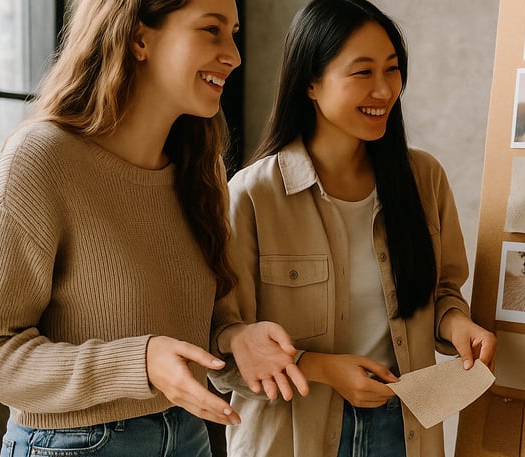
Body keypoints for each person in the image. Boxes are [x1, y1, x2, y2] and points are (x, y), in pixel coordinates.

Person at [0, 0, 305, 455]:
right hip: (72, 444)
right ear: (139, 37)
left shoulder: (198, 173)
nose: (234, 54)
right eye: (211, 30)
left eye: (234, 32)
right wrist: (139, 362)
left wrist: (234, 336)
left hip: (189, 437)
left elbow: (201, 325)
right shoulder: (40, 161)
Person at [208, 0, 498, 456]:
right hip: (291, 438)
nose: (384, 90)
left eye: (392, 69)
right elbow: (222, 352)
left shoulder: (423, 180)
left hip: (405, 431)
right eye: (362, 73)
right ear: (310, 83)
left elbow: (442, 290)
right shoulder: (252, 197)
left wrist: (457, 323)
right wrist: (320, 368)